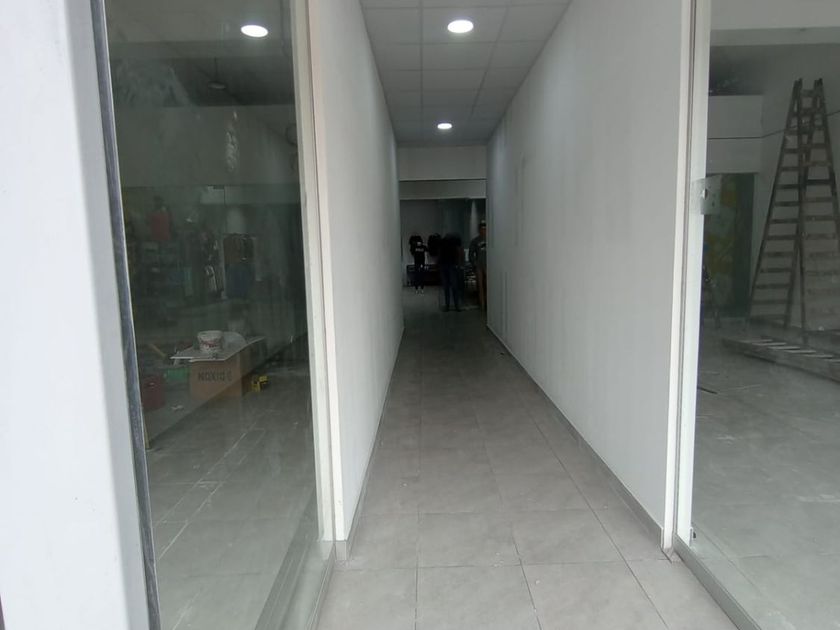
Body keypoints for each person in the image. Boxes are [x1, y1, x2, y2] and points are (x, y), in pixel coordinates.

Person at [439, 232, 463, 311]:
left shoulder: (444, 241)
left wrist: (459, 264)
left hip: (447, 265)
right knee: (453, 286)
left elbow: (459, 251)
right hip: (449, 265)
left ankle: (449, 306)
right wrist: (459, 264)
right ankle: (455, 306)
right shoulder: (453, 241)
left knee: (449, 287)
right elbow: (459, 251)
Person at [469, 219, 488, 311]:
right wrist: (474, 264)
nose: (483, 230)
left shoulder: (490, 239)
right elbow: (470, 254)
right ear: (479, 229)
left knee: (488, 285)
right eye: (482, 228)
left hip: (488, 265)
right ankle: (482, 305)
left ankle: (488, 303)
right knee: (480, 286)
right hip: (479, 265)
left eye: (485, 228)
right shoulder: (475, 241)